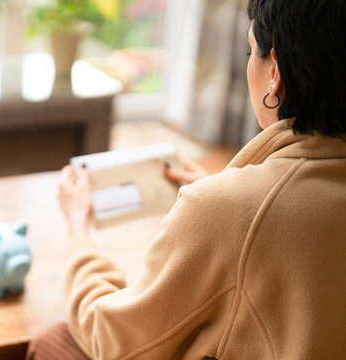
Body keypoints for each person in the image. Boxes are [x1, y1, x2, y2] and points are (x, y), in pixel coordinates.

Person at [26, 0, 346, 358]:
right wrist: (227, 189)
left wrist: (78, 232)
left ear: (275, 74)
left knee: (53, 340)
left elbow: (114, 340)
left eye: (250, 50)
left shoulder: (227, 211)